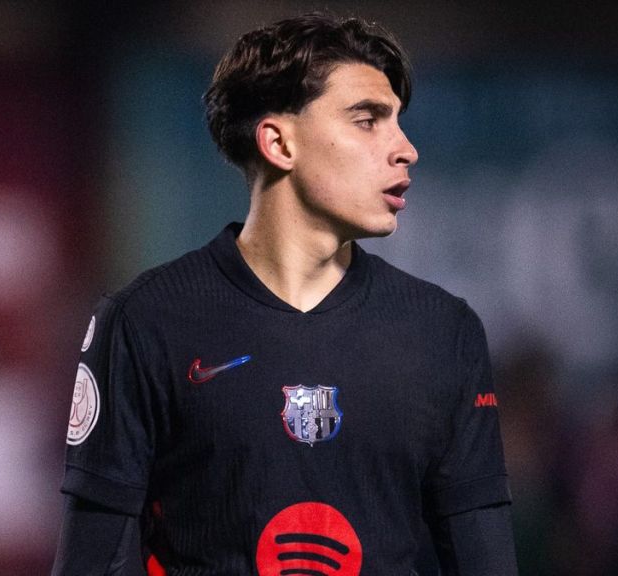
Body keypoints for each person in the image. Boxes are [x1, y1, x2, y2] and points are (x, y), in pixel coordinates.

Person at [52, 13, 518, 576]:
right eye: (368, 120)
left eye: (398, 121)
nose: (406, 149)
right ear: (278, 142)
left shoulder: (444, 331)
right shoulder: (144, 321)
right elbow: (92, 562)